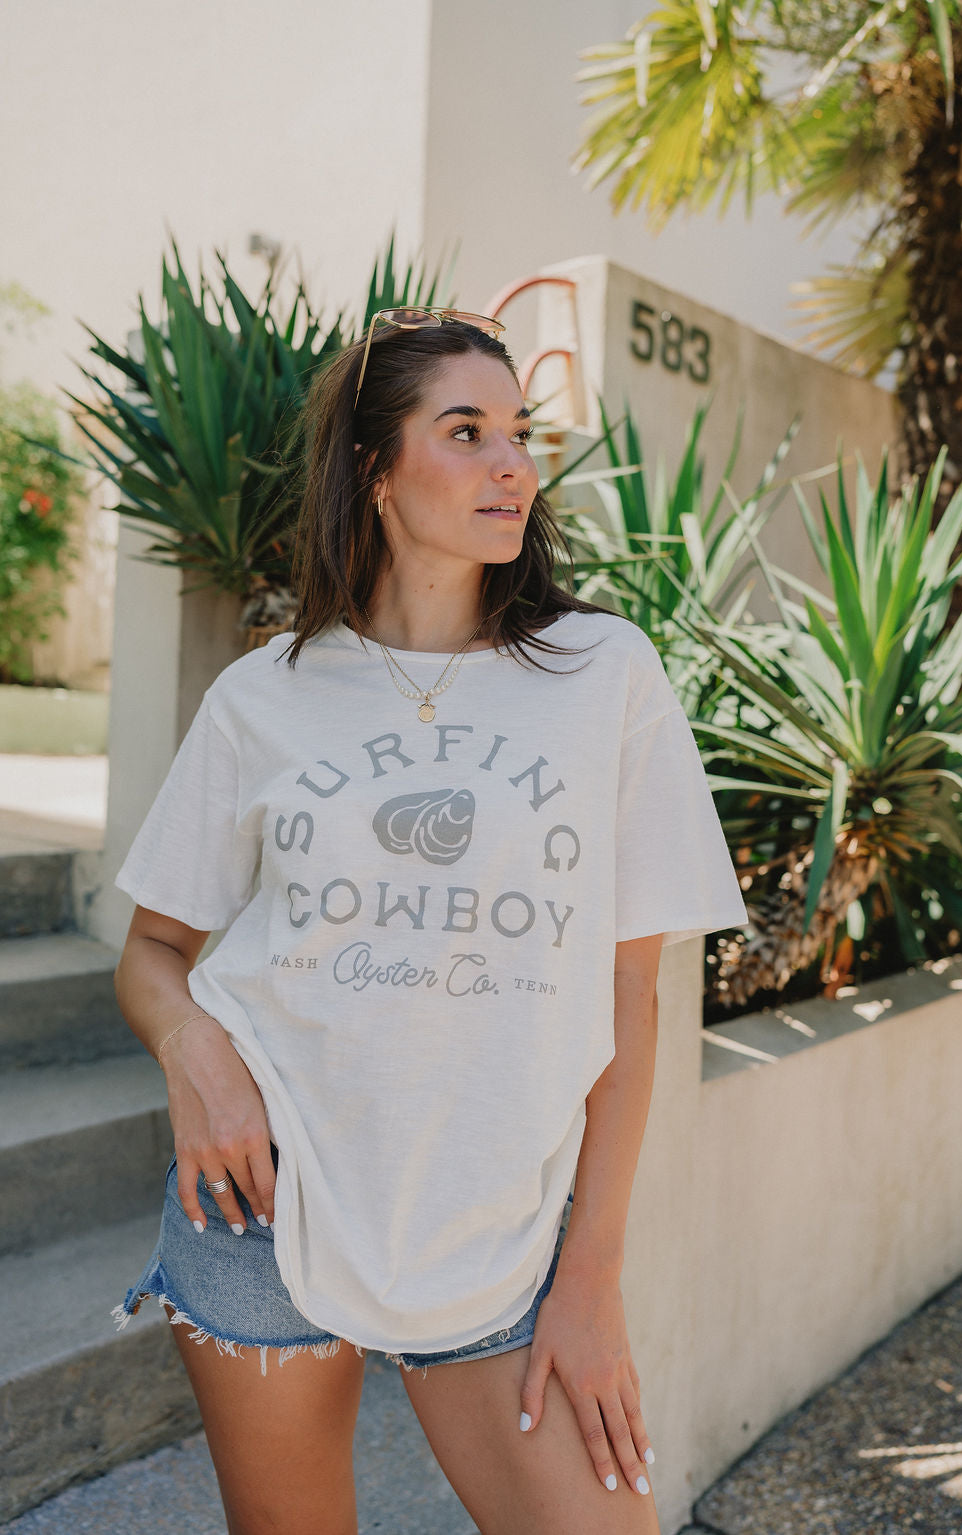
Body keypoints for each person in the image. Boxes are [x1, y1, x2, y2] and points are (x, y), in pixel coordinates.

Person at [112, 306, 746, 1535]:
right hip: (262, 1200)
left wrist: (591, 1278)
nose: (512, 463)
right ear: (376, 470)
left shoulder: (601, 672)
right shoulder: (265, 695)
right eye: (466, 431)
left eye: (519, 432)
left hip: (501, 1234)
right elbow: (153, 951)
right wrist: (197, 1054)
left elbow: (632, 994)